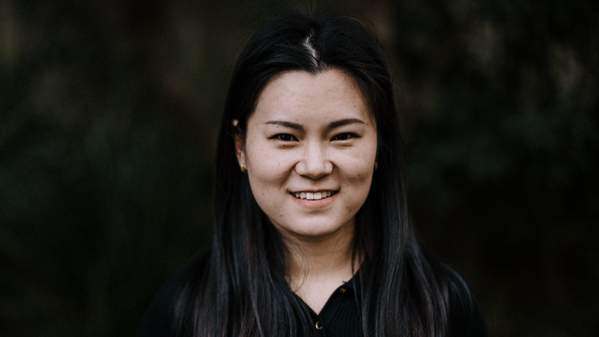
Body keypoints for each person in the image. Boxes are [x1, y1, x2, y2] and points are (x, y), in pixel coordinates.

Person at [139, 13, 486, 337]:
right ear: (241, 147)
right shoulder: (186, 312)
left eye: (343, 136)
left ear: (380, 144)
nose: (315, 166)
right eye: (286, 137)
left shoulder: (442, 308)